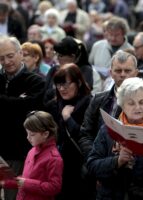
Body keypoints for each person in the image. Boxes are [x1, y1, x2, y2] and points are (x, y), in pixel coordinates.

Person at [87, 77, 143, 200]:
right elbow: (92, 165)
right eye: (131, 103)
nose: (137, 107)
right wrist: (117, 161)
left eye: (141, 102)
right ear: (122, 105)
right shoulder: (108, 129)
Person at [0, 36, 46, 200]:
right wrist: (17, 102)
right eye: (1, 58)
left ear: (20, 53)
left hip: (20, 154)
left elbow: (27, 110)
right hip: (1, 152)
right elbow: (18, 107)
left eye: (10, 56)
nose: (6, 61)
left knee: (15, 196)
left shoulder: (36, 81)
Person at [45, 63, 94, 199]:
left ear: (78, 82)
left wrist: (67, 118)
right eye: (58, 85)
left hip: (78, 165)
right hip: (56, 165)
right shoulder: (53, 105)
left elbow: (85, 136)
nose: (62, 89)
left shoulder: (90, 104)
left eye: (66, 85)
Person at [0, 111, 63, 200]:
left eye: (32, 134)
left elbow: (54, 187)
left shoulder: (54, 158)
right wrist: (5, 181)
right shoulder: (32, 151)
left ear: (45, 134)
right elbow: (25, 179)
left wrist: (26, 183)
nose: (27, 137)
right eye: (27, 133)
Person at [44, 36, 101, 104]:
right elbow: (45, 94)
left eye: (61, 56)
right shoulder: (54, 69)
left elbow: (88, 99)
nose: (57, 58)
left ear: (72, 56)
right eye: (56, 54)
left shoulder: (88, 72)